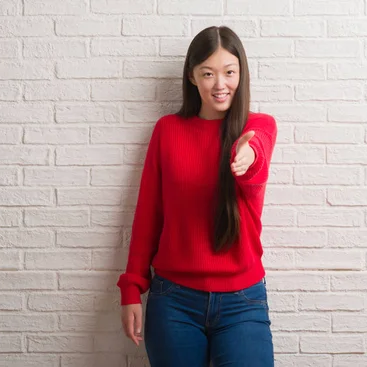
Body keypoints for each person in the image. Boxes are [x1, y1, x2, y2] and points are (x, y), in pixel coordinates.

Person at [117, 26, 277, 366]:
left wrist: (248, 158)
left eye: (229, 72)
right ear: (192, 77)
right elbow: (148, 214)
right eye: (208, 73)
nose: (220, 84)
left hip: (243, 301)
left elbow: (256, 160)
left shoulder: (258, 127)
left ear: (241, 74)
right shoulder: (167, 131)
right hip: (173, 301)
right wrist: (131, 286)